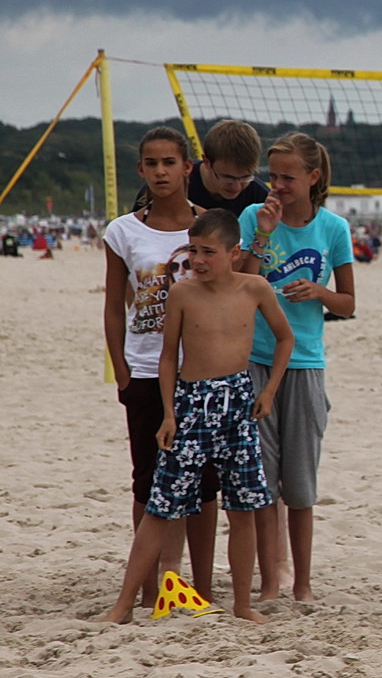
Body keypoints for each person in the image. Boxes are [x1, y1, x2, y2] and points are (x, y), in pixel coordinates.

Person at [100, 210, 293, 625]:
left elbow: (285, 337)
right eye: (193, 250)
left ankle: (242, 604)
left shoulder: (255, 288)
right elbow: (168, 356)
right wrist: (169, 413)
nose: (198, 260)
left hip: (238, 403)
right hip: (191, 404)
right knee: (161, 504)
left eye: (209, 252)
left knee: (242, 507)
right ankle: (123, 605)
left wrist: (269, 390)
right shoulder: (183, 293)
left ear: (234, 253)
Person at [238, 133, 355, 602]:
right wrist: (264, 233)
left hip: (305, 362)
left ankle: (302, 585)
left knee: (301, 484)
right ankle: (270, 583)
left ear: (313, 177)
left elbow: (348, 303)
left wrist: (319, 292)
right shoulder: (254, 216)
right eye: (274, 176)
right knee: (263, 482)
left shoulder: (333, 228)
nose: (278, 185)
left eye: (288, 177)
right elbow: (240, 281)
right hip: (255, 359)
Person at [104, 127, 212, 605]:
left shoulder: (210, 226)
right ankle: (150, 590)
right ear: (141, 170)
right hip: (146, 368)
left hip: (202, 371)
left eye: (170, 162)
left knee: (204, 484)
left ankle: (199, 587)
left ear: (188, 167)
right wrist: (122, 371)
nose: (161, 171)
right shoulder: (124, 231)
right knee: (147, 481)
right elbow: (113, 306)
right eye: (151, 163)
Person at [130, 118, 268, 216]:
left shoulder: (259, 196)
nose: (237, 187)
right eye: (228, 178)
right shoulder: (169, 185)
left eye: (245, 178)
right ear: (207, 162)